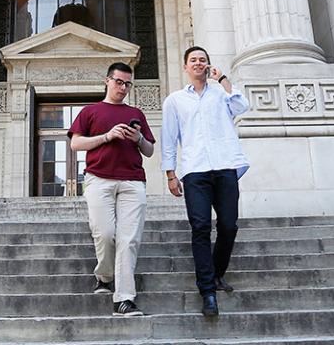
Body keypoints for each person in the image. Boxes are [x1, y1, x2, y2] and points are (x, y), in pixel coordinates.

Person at [161, 46, 249, 317]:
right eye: (193, 60)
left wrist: (223, 80)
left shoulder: (221, 94)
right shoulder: (175, 100)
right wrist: (170, 173)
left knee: (228, 225)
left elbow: (242, 106)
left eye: (203, 60)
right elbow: (168, 138)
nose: (198, 63)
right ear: (185, 67)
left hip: (225, 166)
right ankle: (208, 291)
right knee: (200, 227)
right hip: (195, 171)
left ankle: (217, 271)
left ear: (208, 65)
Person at [68, 62, 155, 317]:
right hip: (99, 179)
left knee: (129, 240)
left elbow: (149, 150)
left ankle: (124, 299)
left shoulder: (137, 113)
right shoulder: (90, 111)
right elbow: (75, 144)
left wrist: (137, 139)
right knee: (105, 233)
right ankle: (104, 275)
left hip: (132, 181)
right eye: (119, 82)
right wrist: (107, 136)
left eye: (128, 83)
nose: (123, 87)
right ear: (107, 81)